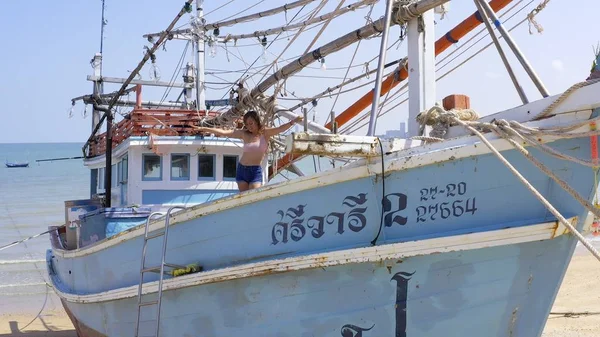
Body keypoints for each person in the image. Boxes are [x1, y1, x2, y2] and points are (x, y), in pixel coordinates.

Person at [193, 110, 303, 192]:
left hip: (255, 171)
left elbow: (280, 129)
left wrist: (293, 122)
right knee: (245, 199)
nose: (249, 127)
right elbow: (224, 132)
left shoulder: (265, 133)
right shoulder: (244, 134)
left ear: (257, 122)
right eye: (247, 124)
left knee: (254, 197)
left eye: (251, 123)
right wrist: (204, 129)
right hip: (242, 170)